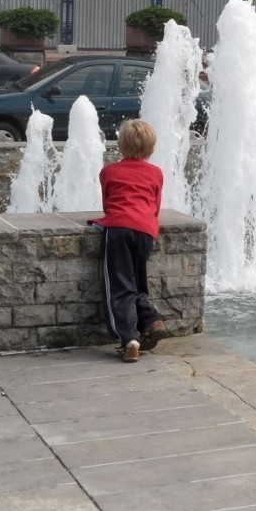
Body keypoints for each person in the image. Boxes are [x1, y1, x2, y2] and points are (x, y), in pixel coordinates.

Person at [90, 119, 170, 363]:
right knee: (136, 283)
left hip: (119, 231)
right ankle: (151, 319)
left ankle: (129, 341)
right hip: (146, 231)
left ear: (121, 145)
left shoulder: (109, 171)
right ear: (151, 148)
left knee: (119, 287)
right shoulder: (156, 173)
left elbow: (108, 205)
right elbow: (154, 207)